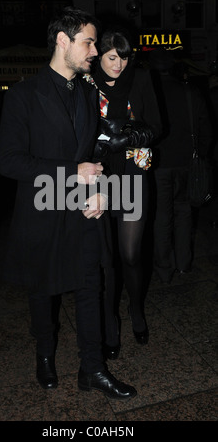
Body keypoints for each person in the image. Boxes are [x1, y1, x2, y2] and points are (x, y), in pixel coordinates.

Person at [0, 7, 137, 399]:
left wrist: (100, 189)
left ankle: (92, 368)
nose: (94, 50)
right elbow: (7, 161)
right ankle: (45, 355)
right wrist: (74, 171)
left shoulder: (91, 92)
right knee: (43, 291)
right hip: (42, 207)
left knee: (91, 285)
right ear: (63, 40)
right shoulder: (24, 94)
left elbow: (97, 152)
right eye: (88, 41)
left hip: (83, 207)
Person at [84, 28, 162, 357]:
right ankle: (110, 324)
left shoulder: (140, 80)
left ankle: (137, 309)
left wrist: (127, 135)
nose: (118, 64)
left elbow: (157, 127)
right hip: (99, 175)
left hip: (131, 173)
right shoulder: (86, 84)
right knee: (107, 259)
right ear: (99, 56)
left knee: (130, 253)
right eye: (112, 57)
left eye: (124, 57)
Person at [149, 49, 212, 283]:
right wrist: (200, 155)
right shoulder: (190, 92)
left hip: (159, 165)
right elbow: (206, 130)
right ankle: (184, 263)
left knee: (161, 217)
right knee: (185, 213)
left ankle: (164, 267)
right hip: (187, 164)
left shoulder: (150, 94)